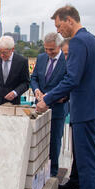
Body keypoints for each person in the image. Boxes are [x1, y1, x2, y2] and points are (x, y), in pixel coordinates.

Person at [36, 5, 95, 189]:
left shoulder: (78, 41)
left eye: (59, 25)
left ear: (70, 20)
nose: (59, 31)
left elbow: (72, 79)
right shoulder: (93, 40)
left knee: (86, 159)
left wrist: (47, 99)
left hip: (85, 110)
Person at [31, 33, 68, 178]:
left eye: (51, 50)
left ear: (59, 46)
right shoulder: (41, 58)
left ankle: (52, 173)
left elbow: (66, 83)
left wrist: (51, 96)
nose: (48, 52)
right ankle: (38, 172)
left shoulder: (66, 60)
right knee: (38, 140)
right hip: (39, 106)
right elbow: (34, 78)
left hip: (57, 108)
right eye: (46, 49)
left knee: (54, 142)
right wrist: (36, 90)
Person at [0, 36, 30, 105]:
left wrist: (15, 92)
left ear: (12, 49)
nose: (2, 55)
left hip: (13, 103)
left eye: (5, 53)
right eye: (0, 52)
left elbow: (26, 83)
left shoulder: (21, 61)